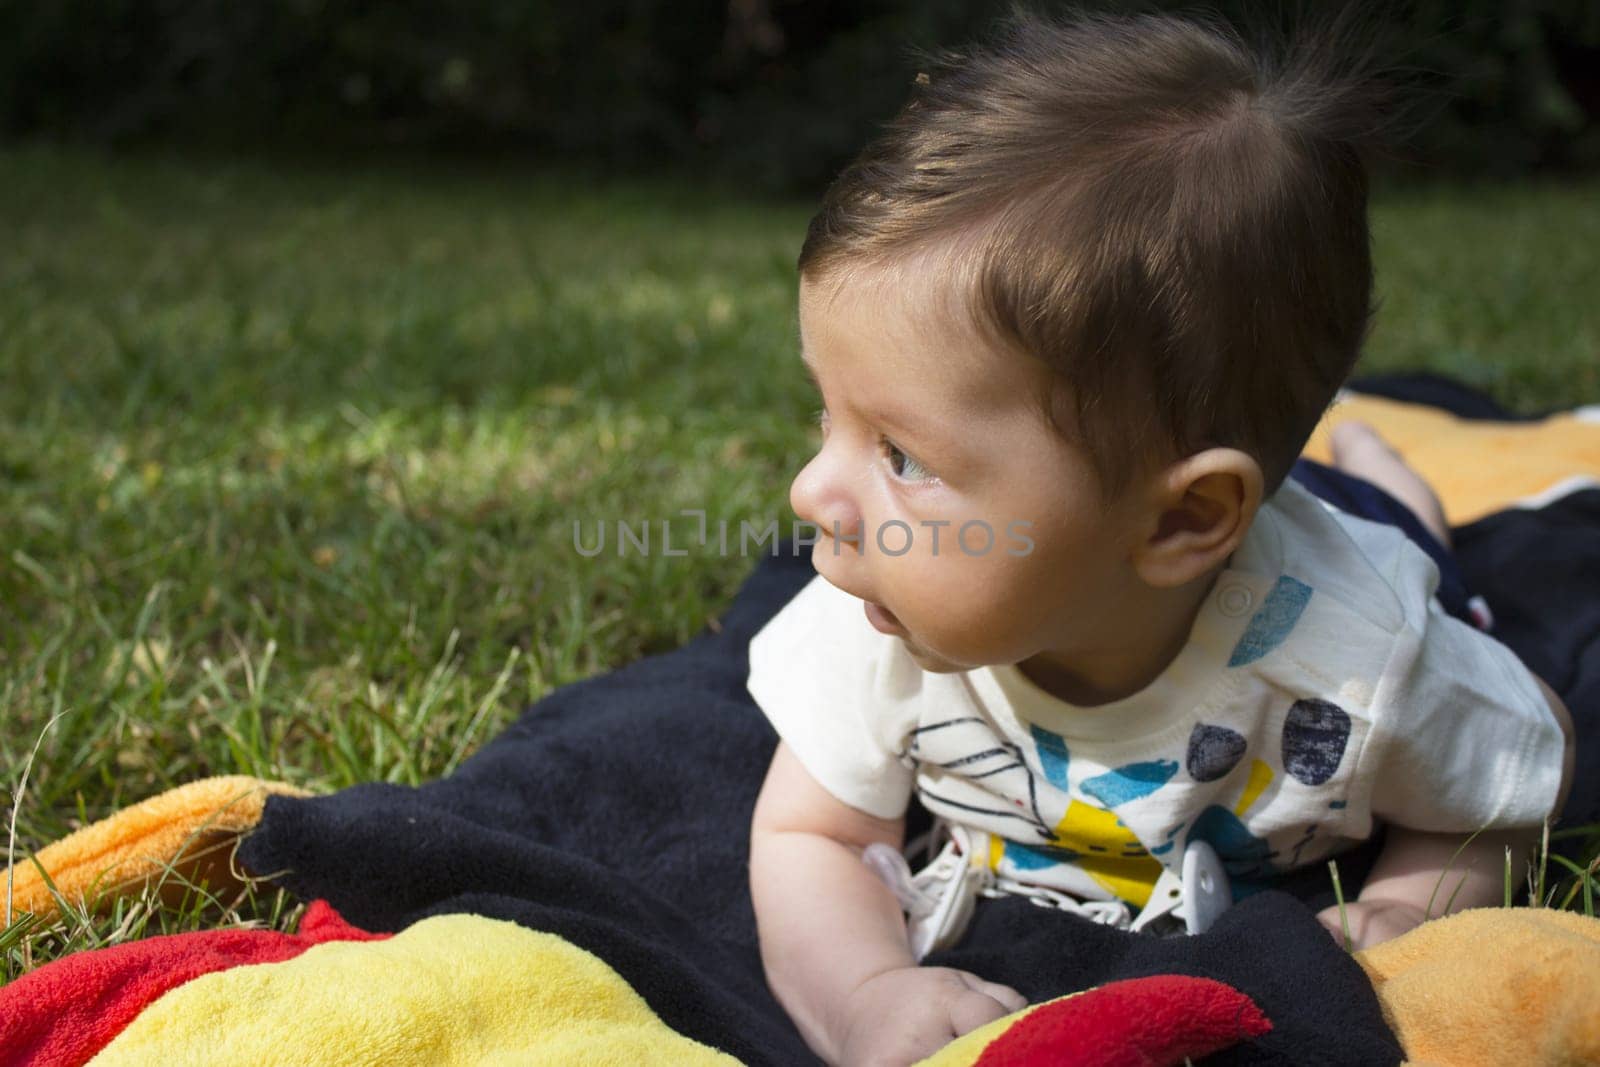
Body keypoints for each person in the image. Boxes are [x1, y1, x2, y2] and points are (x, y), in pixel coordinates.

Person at [743, 9, 1577, 1067]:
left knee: (1409, 532)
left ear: (1184, 518)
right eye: (829, 415)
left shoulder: (1365, 657)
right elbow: (812, 833)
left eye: (900, 453)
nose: (812, 489)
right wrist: (865, 993)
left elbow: (1516, 766)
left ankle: (1385, 477)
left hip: (1344, 558)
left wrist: (1404, 914)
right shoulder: (880, 622)